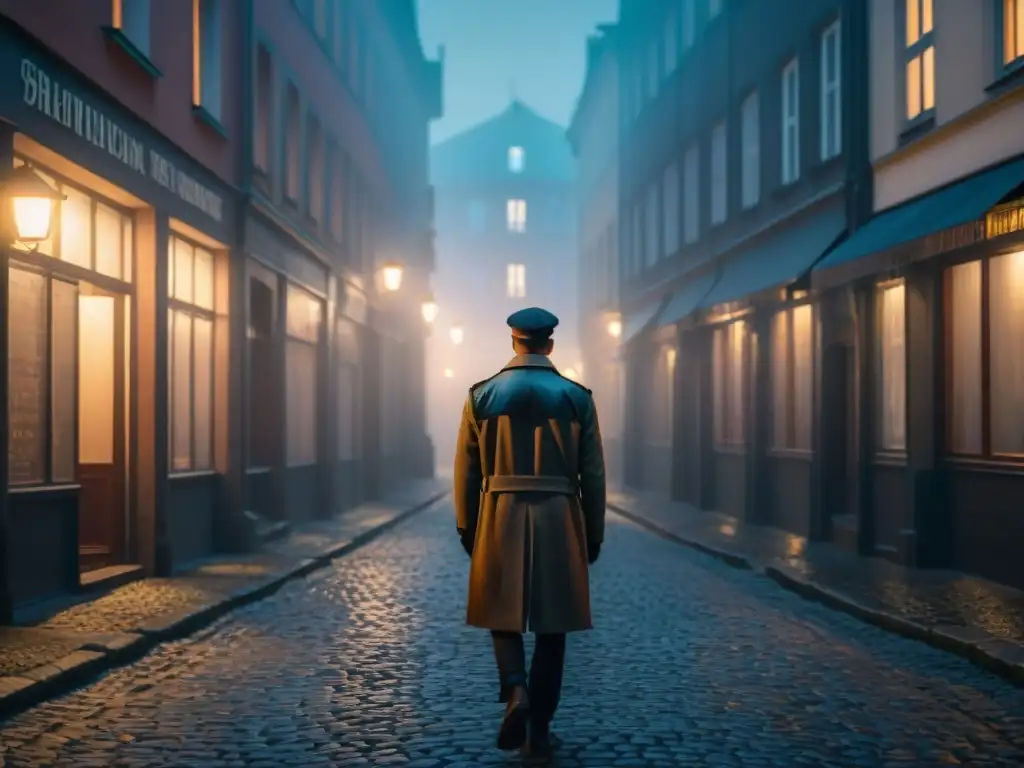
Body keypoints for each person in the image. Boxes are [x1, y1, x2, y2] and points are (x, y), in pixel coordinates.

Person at [452, 306, 606, 756]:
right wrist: (593, 533)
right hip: (558, 515)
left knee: (502, 612)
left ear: (514, 342)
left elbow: (467, 470)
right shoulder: (577, 397)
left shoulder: (481, 396)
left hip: (501, 510)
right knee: (552, 626)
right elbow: (592, 474)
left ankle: (515, 689)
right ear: (549, 344)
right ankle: (539, 731)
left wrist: (467, 524)